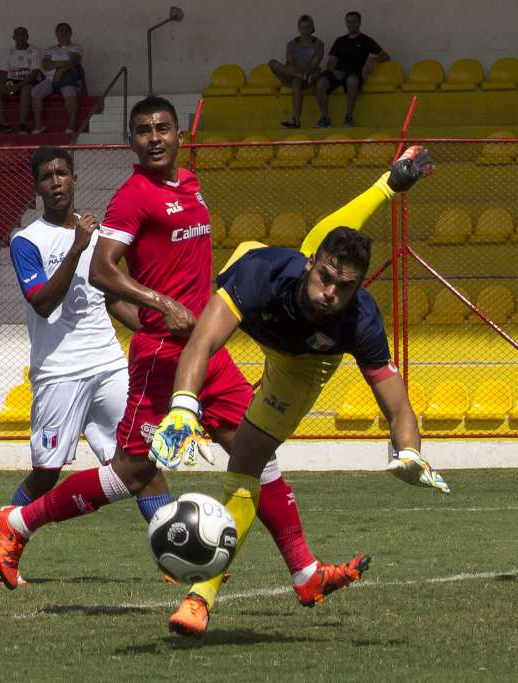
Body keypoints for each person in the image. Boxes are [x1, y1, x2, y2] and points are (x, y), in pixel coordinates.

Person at [0, 97, 379, 607]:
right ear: (132, 141)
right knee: (131, 473)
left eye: (163, 128)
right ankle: (17, 521)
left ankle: (305, 572)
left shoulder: (190, 187)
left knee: (256, 453)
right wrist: (160, 305)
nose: (154, 137)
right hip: (163, 356)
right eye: (144, 130)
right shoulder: (133, 196)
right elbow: (103, 270)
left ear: (179, 135)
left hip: (205, 352)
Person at [151, 144, 448, 638]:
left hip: (304, 364)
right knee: (295, 245)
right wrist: (182, 409)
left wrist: (411, 453)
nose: (330, 291)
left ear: (357, 290)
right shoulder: (264, 273)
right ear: (312, 267)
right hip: (261, 287)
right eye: (326, 277)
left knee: (245, 462)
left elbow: (398, 405)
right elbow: (202, 341)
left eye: (343, 286)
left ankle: (199, 597)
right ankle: (388, 183)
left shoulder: (360, 318)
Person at [0, 145, 171, 587]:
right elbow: (42, 303)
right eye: (46, 177)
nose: (55, 182)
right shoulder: (26, 241)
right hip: (59, 371)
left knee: (141, 460)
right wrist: (76, 247)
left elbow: (110, 298)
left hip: (108, 363)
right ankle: (9, 529)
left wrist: (155, 328)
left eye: (61, 174)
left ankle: (174, 551)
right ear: (36, 187)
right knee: (48, 472)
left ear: (74, 179)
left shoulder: (100, 234)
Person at [314, 10, 389, 128]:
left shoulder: (366, 40)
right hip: (337, 72)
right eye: (348, 22)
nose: (351, 24)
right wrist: (334, 71)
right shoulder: (340, 40)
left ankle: (348, 117)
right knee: (320, 83)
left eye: (354, 21)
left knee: (352, 81)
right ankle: (325, 118)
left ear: (359, 23)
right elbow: (331, 62)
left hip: (354, 73)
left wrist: (373, 60)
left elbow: (385, 56)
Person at [268, 15, 324, 129]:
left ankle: (296, 120)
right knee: (272, 63)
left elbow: (314, 65)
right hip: (294, 74)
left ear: (312, 27)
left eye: (307, 27)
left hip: (309, 76)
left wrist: (304, 74)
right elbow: (289, 63)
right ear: (298, 28)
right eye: (302, 27)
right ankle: (298, 76)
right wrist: (296, 72)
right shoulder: (291, 44)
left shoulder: (318, 44)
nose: (305, 30)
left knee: (296, 81)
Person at [31, 22, 83, 134]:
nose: (63, 33)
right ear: (56, 34)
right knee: (35, 92)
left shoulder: (75, 47)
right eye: (60, 31)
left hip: (68, 79)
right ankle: (38, 125)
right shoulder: (51, 49)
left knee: (70, 92)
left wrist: (61, 70)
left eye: (65, 30)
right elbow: (46, 65)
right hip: (50, 79)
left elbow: (73, 61)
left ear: (70, 33)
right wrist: (63, 63)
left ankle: (71, 125)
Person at [0, 27, 42, 134]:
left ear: (27, 37)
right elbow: (3, 72)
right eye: (18, 34)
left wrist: (18, 86)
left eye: (23, 34)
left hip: (29, 81)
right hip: (13, 81)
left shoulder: (34, 51)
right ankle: (3, 125)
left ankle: (22, 124)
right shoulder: (8, 52)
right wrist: (4, 85)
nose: (21, 37)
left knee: (25, 90)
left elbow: (34, 73)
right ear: (14, 37)